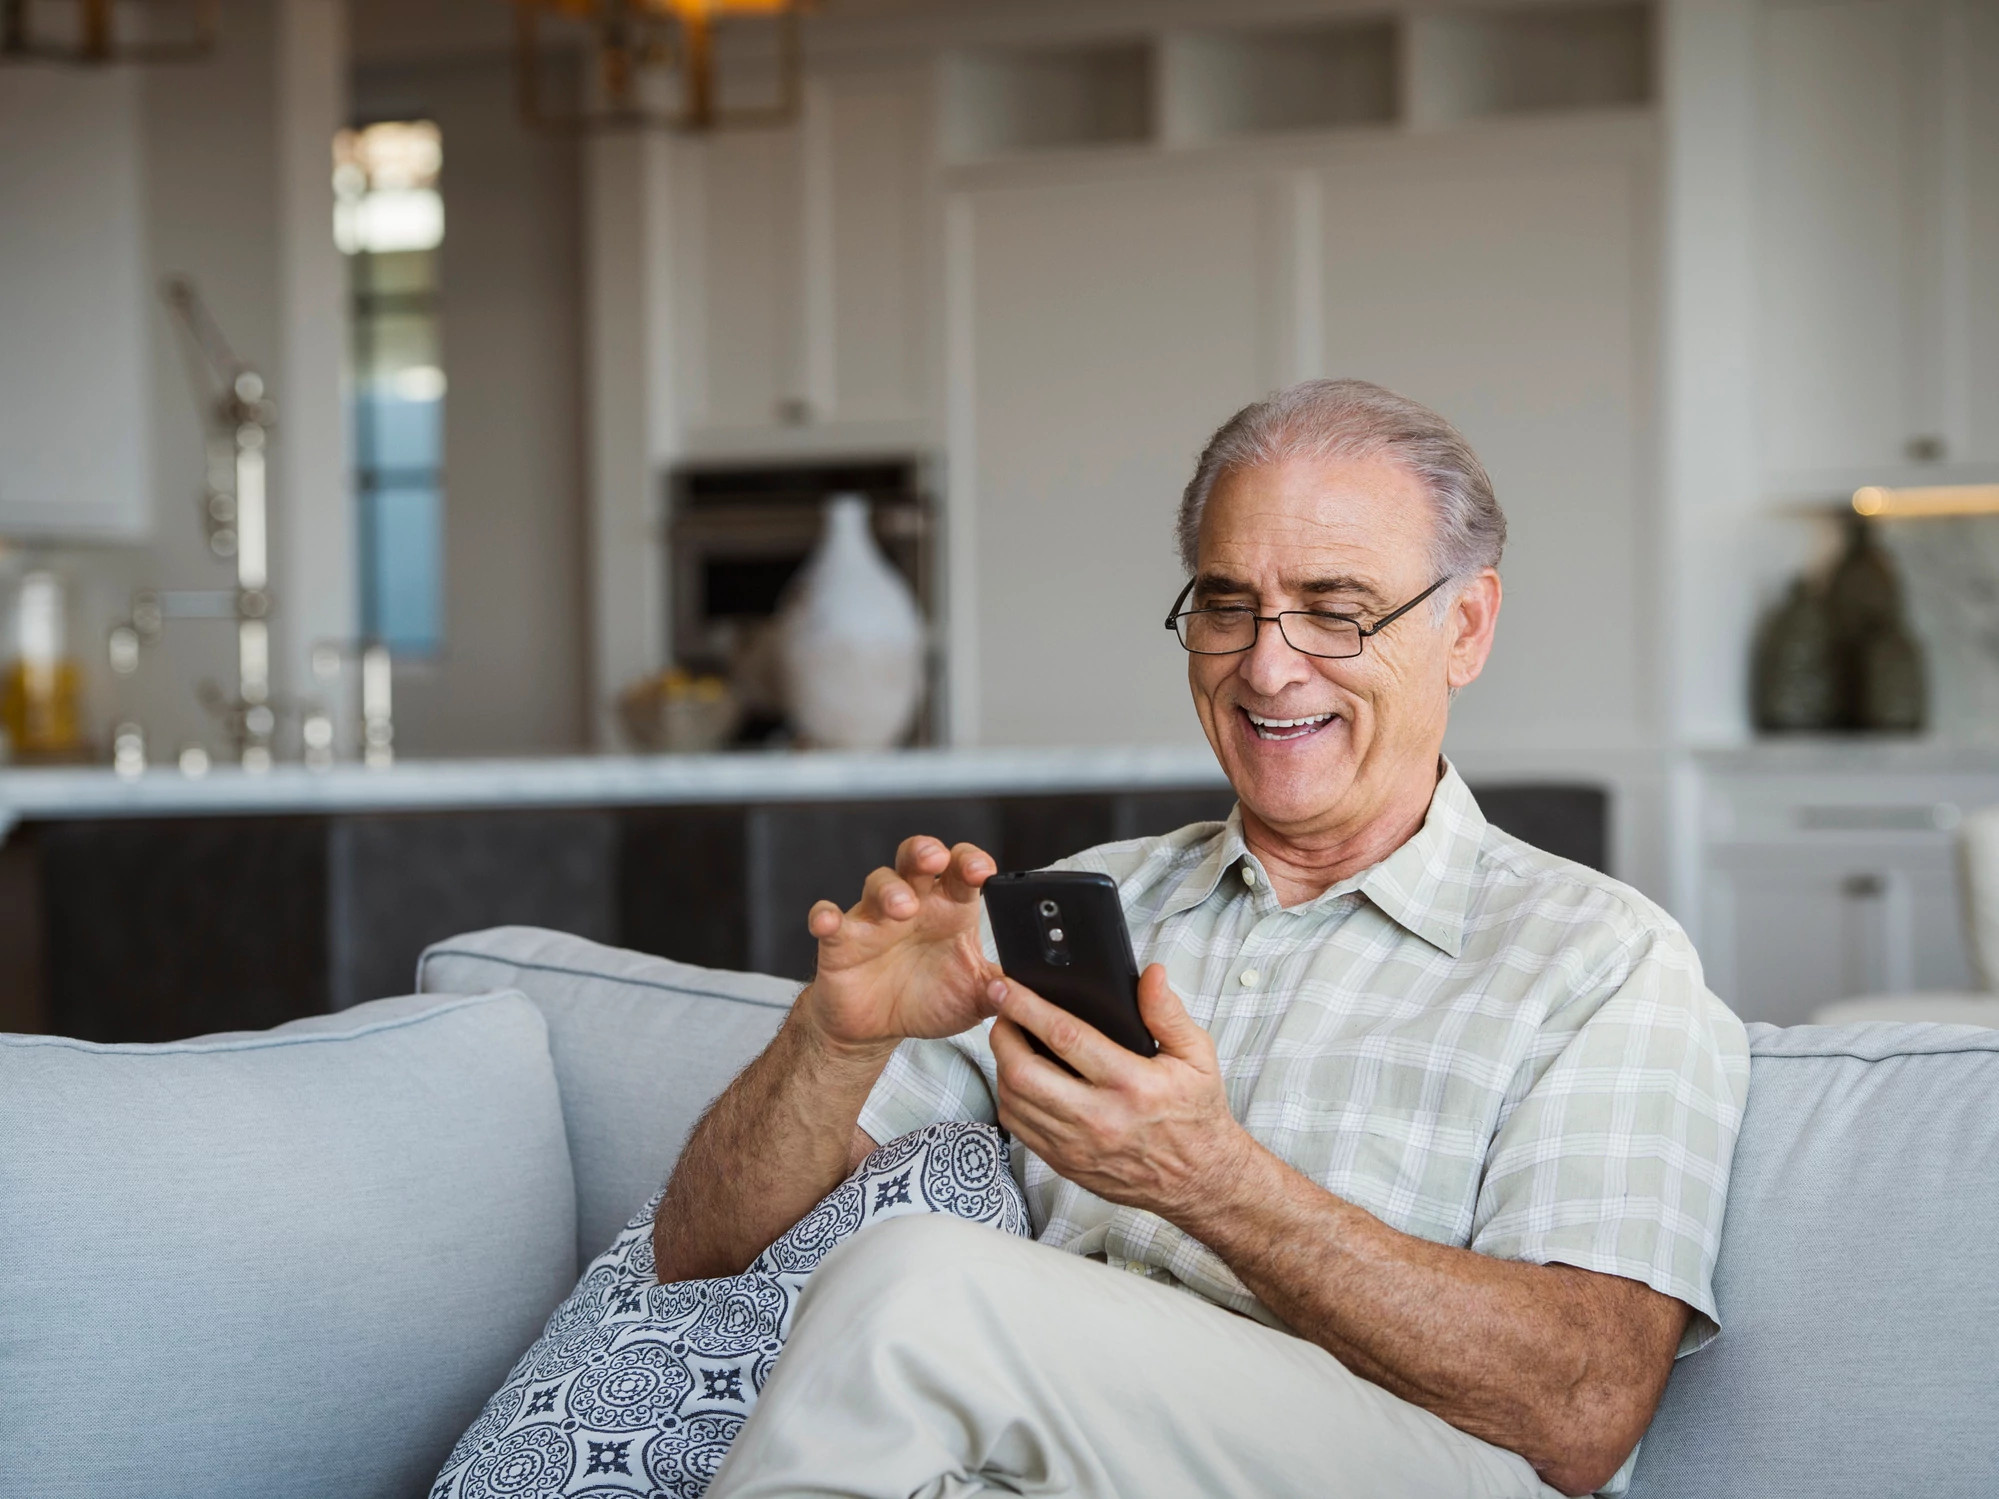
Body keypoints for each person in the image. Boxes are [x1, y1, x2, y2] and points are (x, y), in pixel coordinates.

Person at [654, 378, 1750, 1499]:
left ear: (1462, 627)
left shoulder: (1598, 956)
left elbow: (1582, 1409)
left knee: (920, 1281)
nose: (1266, 666)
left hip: (1408, 1462)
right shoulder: (1083, 905)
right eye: (1228, 604)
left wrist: (1210, 1178)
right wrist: (830, 1040)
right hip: (1060, 1456)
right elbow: (704, 1259)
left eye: (1335, 608)